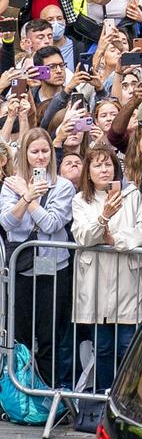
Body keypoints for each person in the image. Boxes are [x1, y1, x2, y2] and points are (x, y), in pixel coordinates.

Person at [70, 145, 142, 392]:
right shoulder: (80, 200)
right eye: (97, 165)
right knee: (104, 346)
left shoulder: (132, 195)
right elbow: (82, 235)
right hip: (96, 282)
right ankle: (102, 397)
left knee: (128, 344)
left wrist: (117, 240)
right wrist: (103, 218)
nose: (104, 169)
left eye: (108, 164)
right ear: (88, 172)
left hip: (127, 279)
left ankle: (126, 396)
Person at [0, 128, 77, 388]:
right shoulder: (13, 182)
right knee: (20, 335)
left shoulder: (63, 185)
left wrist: (30, 199)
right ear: (26, 154)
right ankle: (19, 392)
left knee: (49, 337)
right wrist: (26, 195)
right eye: (35, 151)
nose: (41, 156)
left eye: (45, 151)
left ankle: (45, 393)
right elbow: (8, 222)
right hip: (22, 270)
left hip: (53, 270)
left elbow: (52, 224)